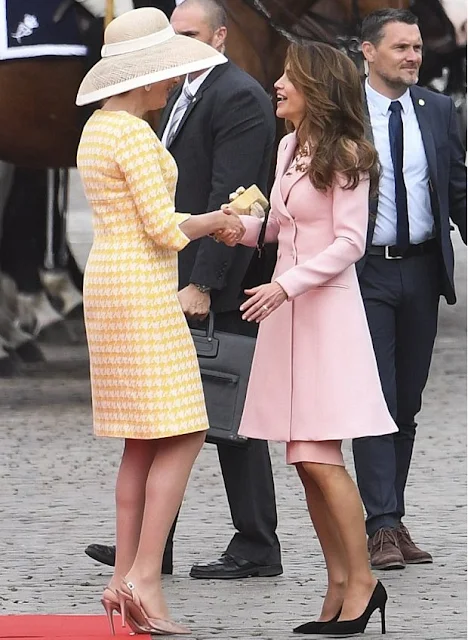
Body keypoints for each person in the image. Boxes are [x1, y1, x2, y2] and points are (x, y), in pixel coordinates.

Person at [85, 0, 283, 581]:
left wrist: (205, 277)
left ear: (220, 37)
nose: (178, 60)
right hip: (158, 277)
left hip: (191, 279)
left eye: (190, 38)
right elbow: (166, 220)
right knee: (180, 421)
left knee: (218, 414)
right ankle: (148, 559)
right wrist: (206, 236)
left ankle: (240, 543)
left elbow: (232, 184)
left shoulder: (232, 96)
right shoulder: (145, 121)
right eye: (172, 44)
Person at [224, 42, 397, 636]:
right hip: (290, 316)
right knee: (303, 459)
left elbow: (349, 243)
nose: (276, 84)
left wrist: (285, 286)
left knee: (322, 461)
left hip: (323, 317)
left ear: (315, 88)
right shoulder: (288, 146)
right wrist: (235, 228)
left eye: (288, 77)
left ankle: (365, 584)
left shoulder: (346, 153)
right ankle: (337, 586)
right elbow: (277, 227)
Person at [353, 9, 467, 571]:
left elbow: (458, 189)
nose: (414, 57)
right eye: (401, 47)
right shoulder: (344, 111)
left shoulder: (439, 110)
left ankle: (391, 517)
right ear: (368, 51)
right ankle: (378, 524)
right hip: (366, 272)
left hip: (422, 272)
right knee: (377, 400)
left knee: (409, 402)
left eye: (417, 48)